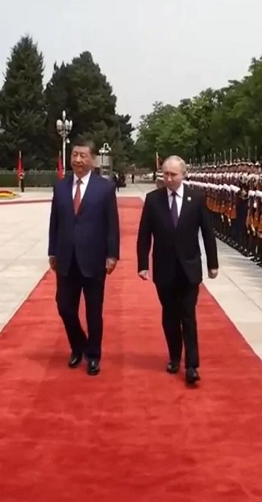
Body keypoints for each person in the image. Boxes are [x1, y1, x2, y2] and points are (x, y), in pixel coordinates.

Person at [137, 155, 220, 385]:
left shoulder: (196, 197)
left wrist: (213, 263)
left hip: (189, 267)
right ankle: (175, 356)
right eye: (165, 174)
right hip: (164, 268)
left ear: (184, 174)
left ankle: (192, 365)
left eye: (173, 174)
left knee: (188, 316)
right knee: (170, 316)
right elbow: (144, 234)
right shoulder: (153, 200)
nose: (169, 178)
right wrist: (142, 264)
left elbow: (207, 232)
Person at [47, 141, 121, 376]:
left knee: (93, 312)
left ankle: (93, 355)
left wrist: (112, 254)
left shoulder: (104, 188)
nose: (78, 160)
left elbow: (112, 224)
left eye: (83, 156)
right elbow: (54, 222)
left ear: (93, 160)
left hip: (94, 259)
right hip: (66, 258)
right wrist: (52, 251)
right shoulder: (60, 187)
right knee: (65, 308)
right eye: (75, 155)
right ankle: (79, 345)